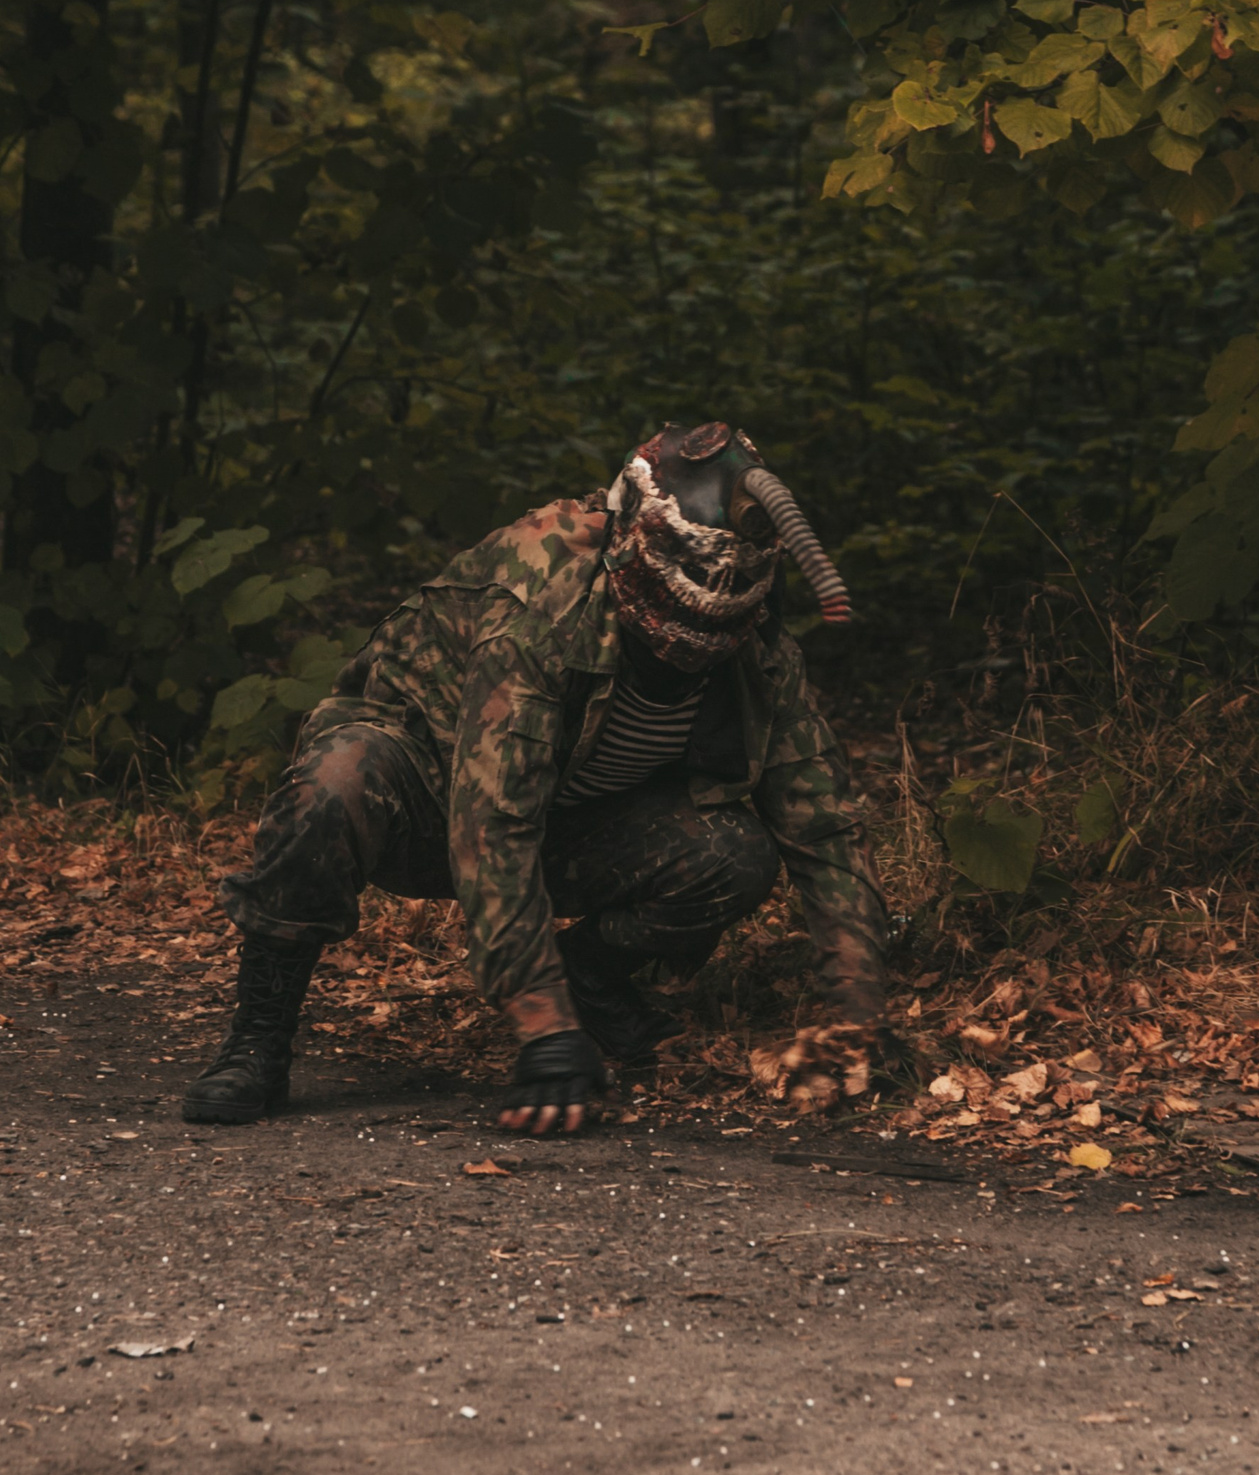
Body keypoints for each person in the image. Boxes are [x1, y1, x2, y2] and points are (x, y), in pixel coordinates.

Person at [184, 421, 888, 1135]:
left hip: (570, 815)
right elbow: (493, 823)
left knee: (730, 854)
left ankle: (592, 981)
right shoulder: (539, 600)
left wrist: (861, 1017)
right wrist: (542, 1029)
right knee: (333, 783)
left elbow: (820, 820)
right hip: (427, 800)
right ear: (632, 547)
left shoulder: (756, 641)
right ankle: (259, 1036)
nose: (686, 652)